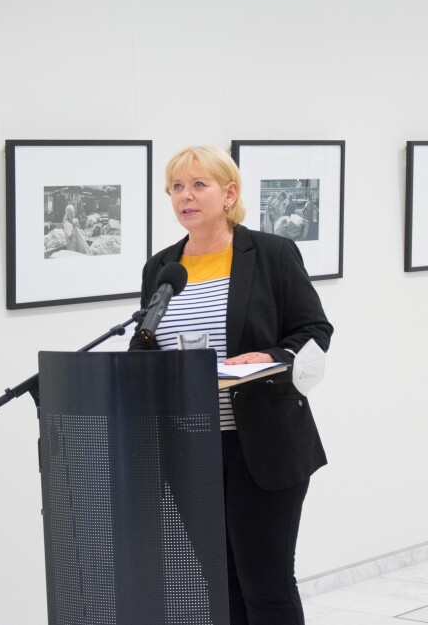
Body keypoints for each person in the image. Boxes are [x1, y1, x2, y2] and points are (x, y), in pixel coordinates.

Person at [130, 145, 332, 625]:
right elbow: (146, 345)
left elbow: (315, 330)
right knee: (219, 585)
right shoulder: (162, 269)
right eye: (177, 187)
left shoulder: (271, 254)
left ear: (229, 194)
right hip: (191, 448)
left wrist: (272, 355)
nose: (186, 196)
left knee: (266, 585)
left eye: (199, 184)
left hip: (261, 446)